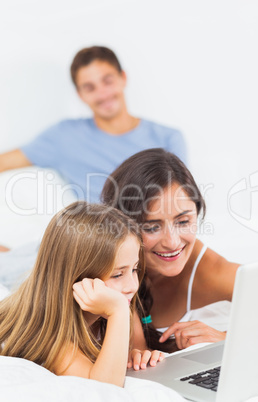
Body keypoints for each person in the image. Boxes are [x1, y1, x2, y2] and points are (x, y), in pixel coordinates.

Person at [0, 201, 164, 385]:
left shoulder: (122, 302)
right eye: (118, 274)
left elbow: (135, 351)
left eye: (135, 269)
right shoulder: (54, 338)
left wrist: (138, 356)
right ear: (77, 278)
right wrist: (118, 312)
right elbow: (104, 389)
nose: (132, 286)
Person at [0, 46, 187, 203]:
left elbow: (179, 203)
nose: (102, 94)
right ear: (80, 94)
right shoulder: (64, 137)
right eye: (89, 88)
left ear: (123, 78)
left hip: (151, 235)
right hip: (97, 240)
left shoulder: (168, 138)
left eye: (108, 81)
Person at [101, 148, 240, 352]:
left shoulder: (212, 271)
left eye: (183, 221)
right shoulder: (103, 264)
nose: (173, 243)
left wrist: (226, 338)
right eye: (152, 227)